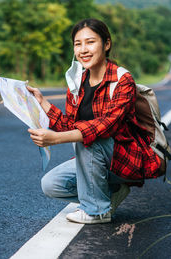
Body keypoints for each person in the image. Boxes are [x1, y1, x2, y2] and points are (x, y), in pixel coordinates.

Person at [27, 18, 160, 224]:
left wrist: (54, 139)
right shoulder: (77, 81)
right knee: (51, 185)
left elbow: (106, 126)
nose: (83, 50)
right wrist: (42, 102)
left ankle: (97, 211)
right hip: (96, 159)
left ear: (106, 44)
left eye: (90, 42)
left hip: (126, 159)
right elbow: (69, 125)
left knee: (90, 137)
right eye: (78, 44)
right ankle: (109, 195)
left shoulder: (122, 80)